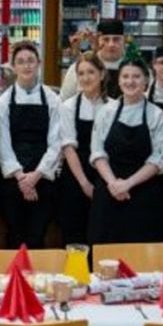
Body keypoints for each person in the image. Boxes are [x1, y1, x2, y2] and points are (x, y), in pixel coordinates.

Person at [89, 60, 163, 245]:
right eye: (125, 76)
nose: (130, 81)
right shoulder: (106, 112)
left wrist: (128, 184)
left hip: (143, 193)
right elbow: (97, 152)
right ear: (118, 81)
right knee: (104, 248)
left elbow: (158, 159)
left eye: (136, 76)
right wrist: (113, 183)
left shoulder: (156, 115)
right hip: (109, 190)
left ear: (146, 81)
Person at [0, 41, 62, 249]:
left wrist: (35, 176)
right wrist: (21, 178)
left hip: (43, 177)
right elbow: (2, 143)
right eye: (21, 62)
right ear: (13, 66)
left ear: (39, 63)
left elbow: (56, 143)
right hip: (12, 180)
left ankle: (37, 282)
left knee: (37, 236)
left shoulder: (53, 100)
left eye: (31, 61)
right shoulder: (3, 102)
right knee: (14, 235)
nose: (26, 66)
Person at [57, 52, 107, 246]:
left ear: (102, 74)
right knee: (73, 233)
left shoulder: (112, 106)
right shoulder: (68, 107)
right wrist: (85, 184)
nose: (86, 78)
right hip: (75, 177)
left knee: (100, 233)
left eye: (91, 72)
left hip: (104, 176)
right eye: (81, 73)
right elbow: (69, 148)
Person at [60, 19, 127, 100]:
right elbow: (63, 101)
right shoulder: (79, 68)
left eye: (116, 39)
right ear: (99, 40)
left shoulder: (134, 69)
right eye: (106, 39)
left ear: (124, 40)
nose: (111, 44)